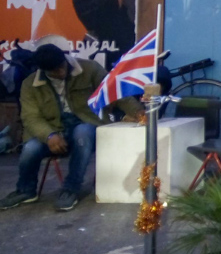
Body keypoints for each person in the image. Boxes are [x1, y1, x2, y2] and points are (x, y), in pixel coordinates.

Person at [0, 44, 136, 212]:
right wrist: (49, 135)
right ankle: (26, 191)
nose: (61, 73)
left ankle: (71, 189)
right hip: (52, 131)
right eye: (54, 71)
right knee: (30, 149)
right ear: (43, 71)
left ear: (65, 60)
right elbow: (30, 117)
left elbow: (114, 92)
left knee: (82, 133)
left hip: (86, 125)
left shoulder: (89, 69)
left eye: (62, 67)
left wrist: (138, 112)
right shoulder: (30, 84)